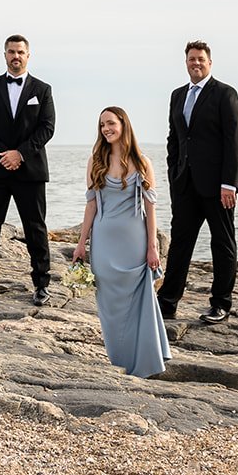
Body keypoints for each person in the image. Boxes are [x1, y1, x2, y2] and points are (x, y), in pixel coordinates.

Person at [72, 107, 170, 379]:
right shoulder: (96, 161)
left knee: (139, 301)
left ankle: (146, 362)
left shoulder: (141, 162)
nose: (106, 129)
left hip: (134, 242)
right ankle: (119, 360)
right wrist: (82, 243)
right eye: (102, 124)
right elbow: (91, 204)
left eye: (111, 123)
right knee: (110, 306)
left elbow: (150, 209)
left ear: (123, 125)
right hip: (104, 243)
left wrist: (153, 247)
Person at [0, 35, 55, 306]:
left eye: (20, 52)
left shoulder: (43, 89)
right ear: (4, 55)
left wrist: (21, 154)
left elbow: (47, 127)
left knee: (35, 228)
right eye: (11, 52)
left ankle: (41, 284)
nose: (16, 56)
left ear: (28, 55)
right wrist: (3, 154)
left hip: (30, 170)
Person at [159, 40, 238, 325]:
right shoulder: (177, 95)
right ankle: (167, 303)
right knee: (180, 244)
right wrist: (173, 174)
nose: (196, 63)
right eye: (191, 59)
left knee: (222, 243)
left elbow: (233, 141)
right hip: (185, 183)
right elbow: (175, 139)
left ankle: (221, 304)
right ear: (186, 62)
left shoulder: (225, 94)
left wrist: (229, 184)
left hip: (218, 187)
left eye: (201, 59)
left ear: (210, 63)